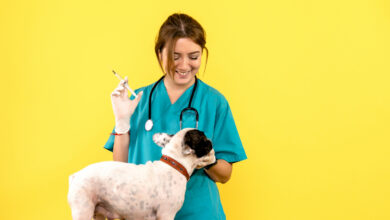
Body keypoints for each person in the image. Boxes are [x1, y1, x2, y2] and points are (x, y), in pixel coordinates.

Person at [104, 13, 247, 220]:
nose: (184, 65)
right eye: (175, 56)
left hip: (199, 213)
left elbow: (225, 175)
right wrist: (122, 122)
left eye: (194, 57)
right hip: (144, 213)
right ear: (159, 53)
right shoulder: (138, 100)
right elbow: (119, 170)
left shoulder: (214, 102)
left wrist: (207, 160)